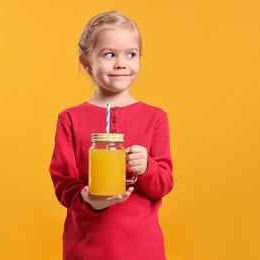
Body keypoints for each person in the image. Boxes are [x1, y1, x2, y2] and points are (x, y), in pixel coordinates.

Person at [49, 10, 173, 260]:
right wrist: (87, 199)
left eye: (131, 54)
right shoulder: (70, 119)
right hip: (85, 249)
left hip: (142, 249)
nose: (121, 63)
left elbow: (164, 184)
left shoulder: (156, 117)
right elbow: (63, 183)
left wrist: (146, 167)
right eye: (109, 54)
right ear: (87, 63)